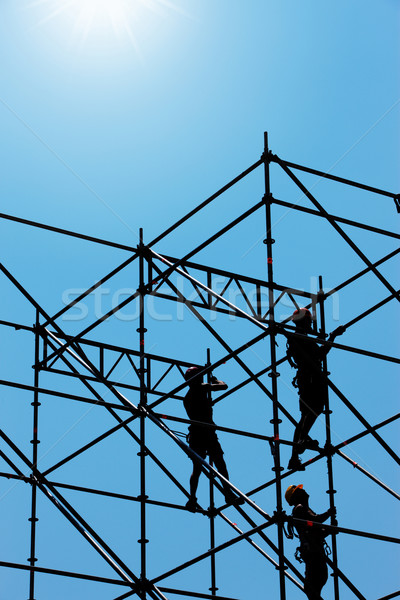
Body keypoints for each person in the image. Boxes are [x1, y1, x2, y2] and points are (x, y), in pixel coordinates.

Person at [286, 308, 343, 470]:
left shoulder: (299, 337)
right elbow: (320, 353)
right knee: (310, 411)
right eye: (309, 322)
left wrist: (321, 338)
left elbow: (316, 352)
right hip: (310, 379)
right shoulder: (299, 338)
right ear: (304, 322)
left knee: (311, 412)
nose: (311, 324)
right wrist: (332, 337)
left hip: (309, 378)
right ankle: (298, 447)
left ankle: (299, 446)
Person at [183, 366, 242, 511]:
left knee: (197, 468)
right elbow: (224, 386)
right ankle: (228, 493)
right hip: (207, 433)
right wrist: (215, 380)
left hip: (197, 434)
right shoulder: (201, 388)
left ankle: (192, 498)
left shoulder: (187, 397)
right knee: (220, 463)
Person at [285, 484, 336, 600]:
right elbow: (315, 521)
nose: (304, 491)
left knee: (313, 588)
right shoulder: (299, 508)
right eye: (300, 490)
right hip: (314, 555)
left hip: (317, 555)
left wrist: (330, 528)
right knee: (311, 588)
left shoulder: (304, 510)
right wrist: (329, 513)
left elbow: (318, 530)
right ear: (296, 496)